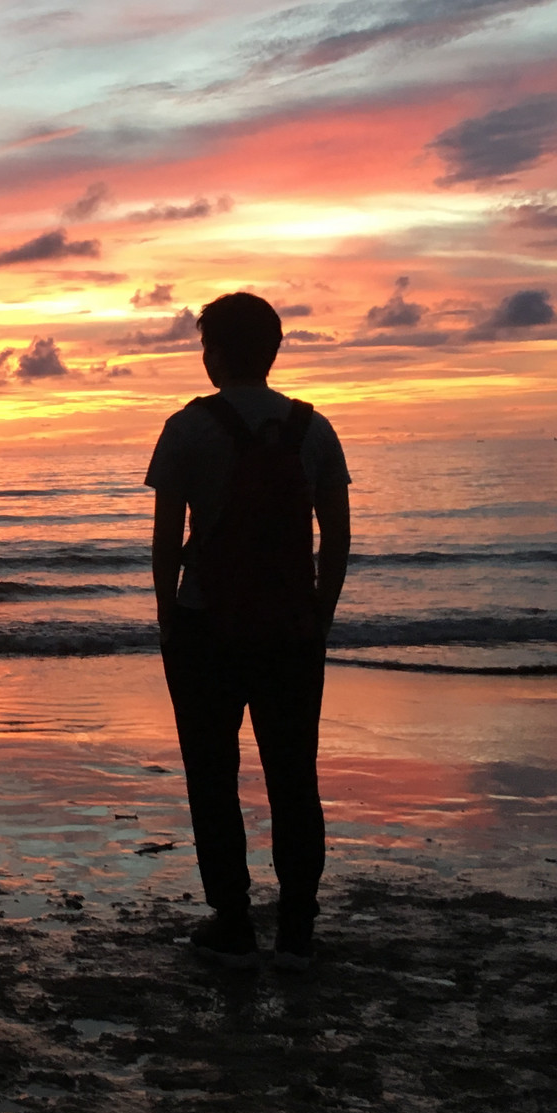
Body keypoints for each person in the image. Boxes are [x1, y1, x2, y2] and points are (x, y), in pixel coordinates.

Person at [144, 291, 351, 971]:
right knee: (293, 774)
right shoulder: (314, 429)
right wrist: (320, 615)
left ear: (215, 355)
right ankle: (297, 927)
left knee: (212, 774)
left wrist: (168, 617)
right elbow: (337, 537)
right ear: (273, 351)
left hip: (206, 626)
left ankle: (232, 919)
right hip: (291, 629)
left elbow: (166, 539)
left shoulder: (187, 428)